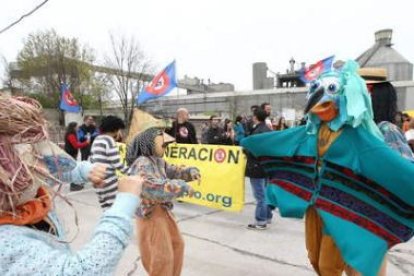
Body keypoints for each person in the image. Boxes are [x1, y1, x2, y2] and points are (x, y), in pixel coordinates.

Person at [241, 59, 414, 276]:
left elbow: (397, 169)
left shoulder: (375, 131)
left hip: (355, 208)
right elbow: (291, 141)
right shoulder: (320, 130)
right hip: (322, 204)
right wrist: (256, 145)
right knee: (318, 259)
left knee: (349, 266)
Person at [0, 94, 144, 275]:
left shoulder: (27, 200)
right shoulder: (7, 245)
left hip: (102, 182)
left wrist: (83, 171)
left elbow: (51, 168)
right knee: (110, 212)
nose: (40, 167)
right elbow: (82, 271)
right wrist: (124, 204)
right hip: (112, 186)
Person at [126, 127, 201, 276]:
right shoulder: (142, 162)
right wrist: (181, 186)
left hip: (163, 212)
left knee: (177, 245)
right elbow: (150, 187)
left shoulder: (158, 161)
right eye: (161, 138)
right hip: (150, 215)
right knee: (162, 256)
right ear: (148, 141)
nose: (165, 144)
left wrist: (190, 172)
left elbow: (174, 171)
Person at [90, 115, 129, 210]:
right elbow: (117, 163)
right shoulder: (109, 140)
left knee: (106, 210)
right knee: (115, 210)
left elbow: (91, 159)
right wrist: (132, 173)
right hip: (109, 183)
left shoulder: (97, 139)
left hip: (98, 182)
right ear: (115, 129)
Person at [245, 108, 273, 230]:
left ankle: (261, 221)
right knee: (265, 192)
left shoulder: (258, 131)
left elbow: (253, 149)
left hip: (256, 166)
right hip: (265, 165)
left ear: (256, 117)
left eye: (253, 115)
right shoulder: (267, 129)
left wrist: (245, 149)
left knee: (259, 195)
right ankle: (267, 216)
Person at [64, 122, 91, 191]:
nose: (78, 128)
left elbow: (77, 143)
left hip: (72, 153)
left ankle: (75, 184)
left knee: (73, 169)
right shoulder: (70, 135)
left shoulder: (73, 134)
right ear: (73, 127)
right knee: (73, 169)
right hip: (70, 154)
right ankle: (74, 185)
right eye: (77, 127)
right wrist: (86, 143)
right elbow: (76, 145)